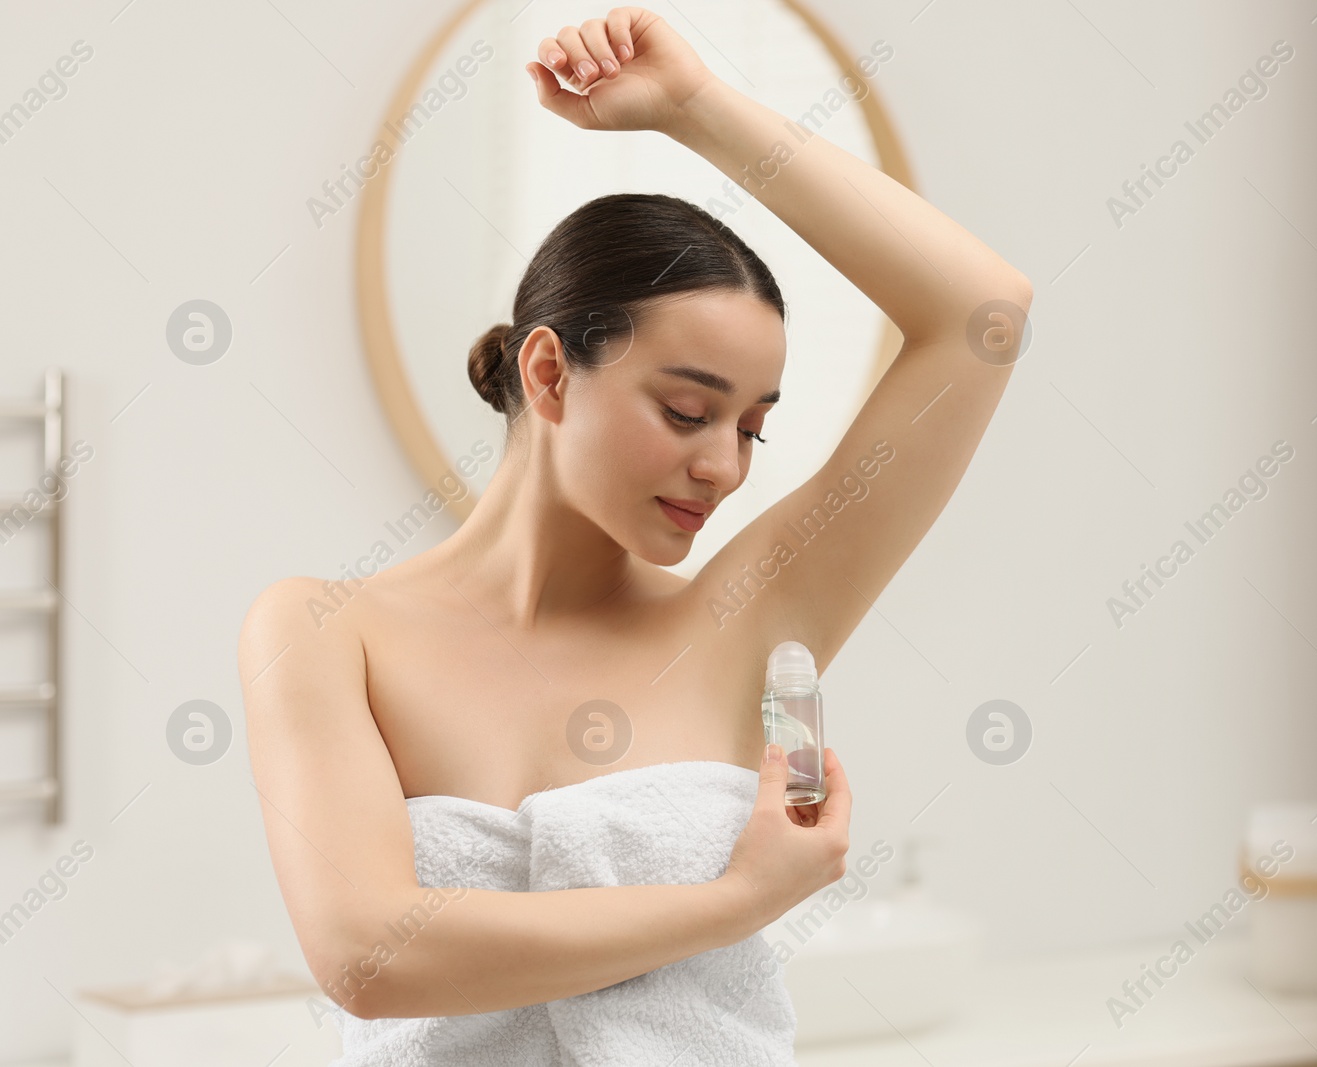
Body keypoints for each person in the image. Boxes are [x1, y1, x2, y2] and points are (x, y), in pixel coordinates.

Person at [237, 5, 1031, 1060]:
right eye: (687, 409)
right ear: (551, 372)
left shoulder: (749, 614)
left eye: (753, 425)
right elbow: (369, 956)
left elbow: (985, 312)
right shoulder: (328, 629)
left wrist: (694, 108)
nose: (726, 465)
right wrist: (738, 897)